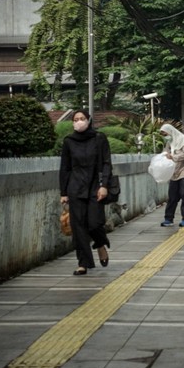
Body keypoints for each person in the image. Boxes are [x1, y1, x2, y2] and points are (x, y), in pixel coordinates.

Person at [59, 110, 111, 276]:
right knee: (78, 227)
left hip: (95, 187)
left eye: (82, 119)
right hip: (75, 188)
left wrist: (104, 185)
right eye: (76, 119)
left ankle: (101, 244)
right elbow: (65, 168)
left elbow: (106, 163)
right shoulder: (68, 141)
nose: (79, 122)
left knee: (95, 223)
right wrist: (64, 192)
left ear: (88, 120)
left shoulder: (99, 138)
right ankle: (83, 263)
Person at [159, 124, 184, 227]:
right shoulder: (170, 142)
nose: (165, 136)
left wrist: (173, 156)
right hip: (175, 172)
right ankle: (168, 218)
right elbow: (166, 152)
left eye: (165, 133)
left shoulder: (183, 140)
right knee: (172, 196)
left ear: (170, 131)